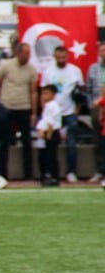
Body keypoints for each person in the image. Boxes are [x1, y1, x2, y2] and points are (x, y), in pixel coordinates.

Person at [0, 41, 38, 180]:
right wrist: (3, 97)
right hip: (7, 107)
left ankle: (28, 174)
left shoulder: (31, 69)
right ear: (18, 53)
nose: (27, 56)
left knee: (26, 141)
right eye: (25, 53)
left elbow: (33, 91)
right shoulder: (6, 66)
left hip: (24, 107)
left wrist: (33, 112)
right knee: (4, 141)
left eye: (29, 53)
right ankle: (2, 173)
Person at [39, 46, 84, 182]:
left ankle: (71, 171)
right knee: (50, 143)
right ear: (54, 57)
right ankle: (49, 172)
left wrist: (77, 111)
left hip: (69, 112)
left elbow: (80, 92)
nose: (61, 60)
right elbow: (43, 93)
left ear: (67, 56)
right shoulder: (48, 72)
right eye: (58, 57)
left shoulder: (75, 71)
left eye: (63, 57)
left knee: (71, 143)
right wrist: (44, 112)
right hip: (53, 114)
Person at [34, 84, 63, 186]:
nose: (43, 96)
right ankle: (48, 175)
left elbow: (51, 121)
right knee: (47, 156)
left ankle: (54, 177)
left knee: (52, 156)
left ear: (53, 95)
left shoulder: (53, 106)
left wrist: (49, 133)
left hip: (52, 133)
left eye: (46, 93)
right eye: (42, 93)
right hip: (47, 133)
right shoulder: (47, 105)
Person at [85, 43, 105, 181]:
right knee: (98, 140)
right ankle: (100, 170)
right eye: (102, 51)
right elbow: (88, 90)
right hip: (97, 107)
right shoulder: (93, 69)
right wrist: (92, 105)